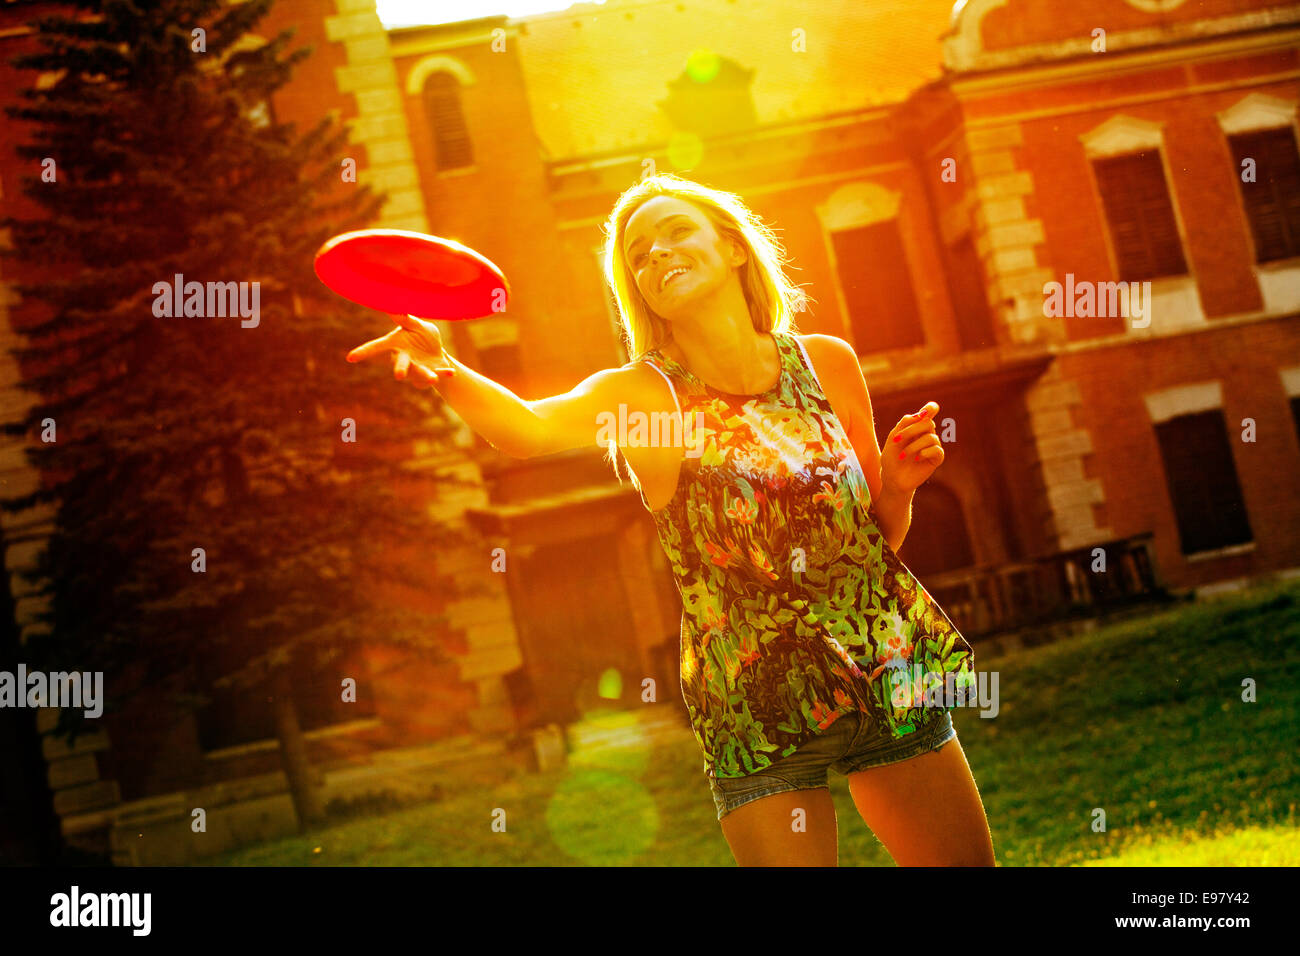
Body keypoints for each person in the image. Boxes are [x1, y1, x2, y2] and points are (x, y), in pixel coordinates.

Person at [347, 173, 995, 867]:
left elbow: (872, 547)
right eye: (638, 253)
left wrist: (896, 485)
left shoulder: (827, 365)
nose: (655, 253)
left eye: (674, 231)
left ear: (733, 248)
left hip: (885, 667)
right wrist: (443, 369)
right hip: (755, 706)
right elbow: (529, 429)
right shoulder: (644, 395)